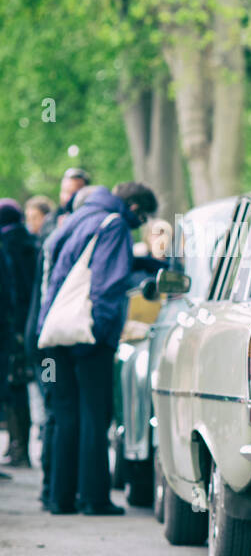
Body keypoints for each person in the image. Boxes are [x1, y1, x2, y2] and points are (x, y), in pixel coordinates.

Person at [37, 182, 157, 515]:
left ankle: (58, 496)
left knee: (63, 414)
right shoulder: (114, 224)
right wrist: (105, 333)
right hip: (88, 335)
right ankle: (93, 497)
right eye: (143, 216)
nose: (141, 223)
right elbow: (108, 284)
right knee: (94, 414)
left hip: (53, 334)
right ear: (133, 207)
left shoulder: (74, 219)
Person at [0, 199, 39, 468]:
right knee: (24, 385)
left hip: (13, 327)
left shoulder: (8, 245)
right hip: (32, 326)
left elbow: (10, 290)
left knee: (14, 386)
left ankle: (18, 447)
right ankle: (20, 446)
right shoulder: (30, 244)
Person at [39, 168, 90, 241]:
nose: (67, 198)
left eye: (73, 194)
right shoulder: (50, 219)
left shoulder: (90, 219)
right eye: (65, 191)